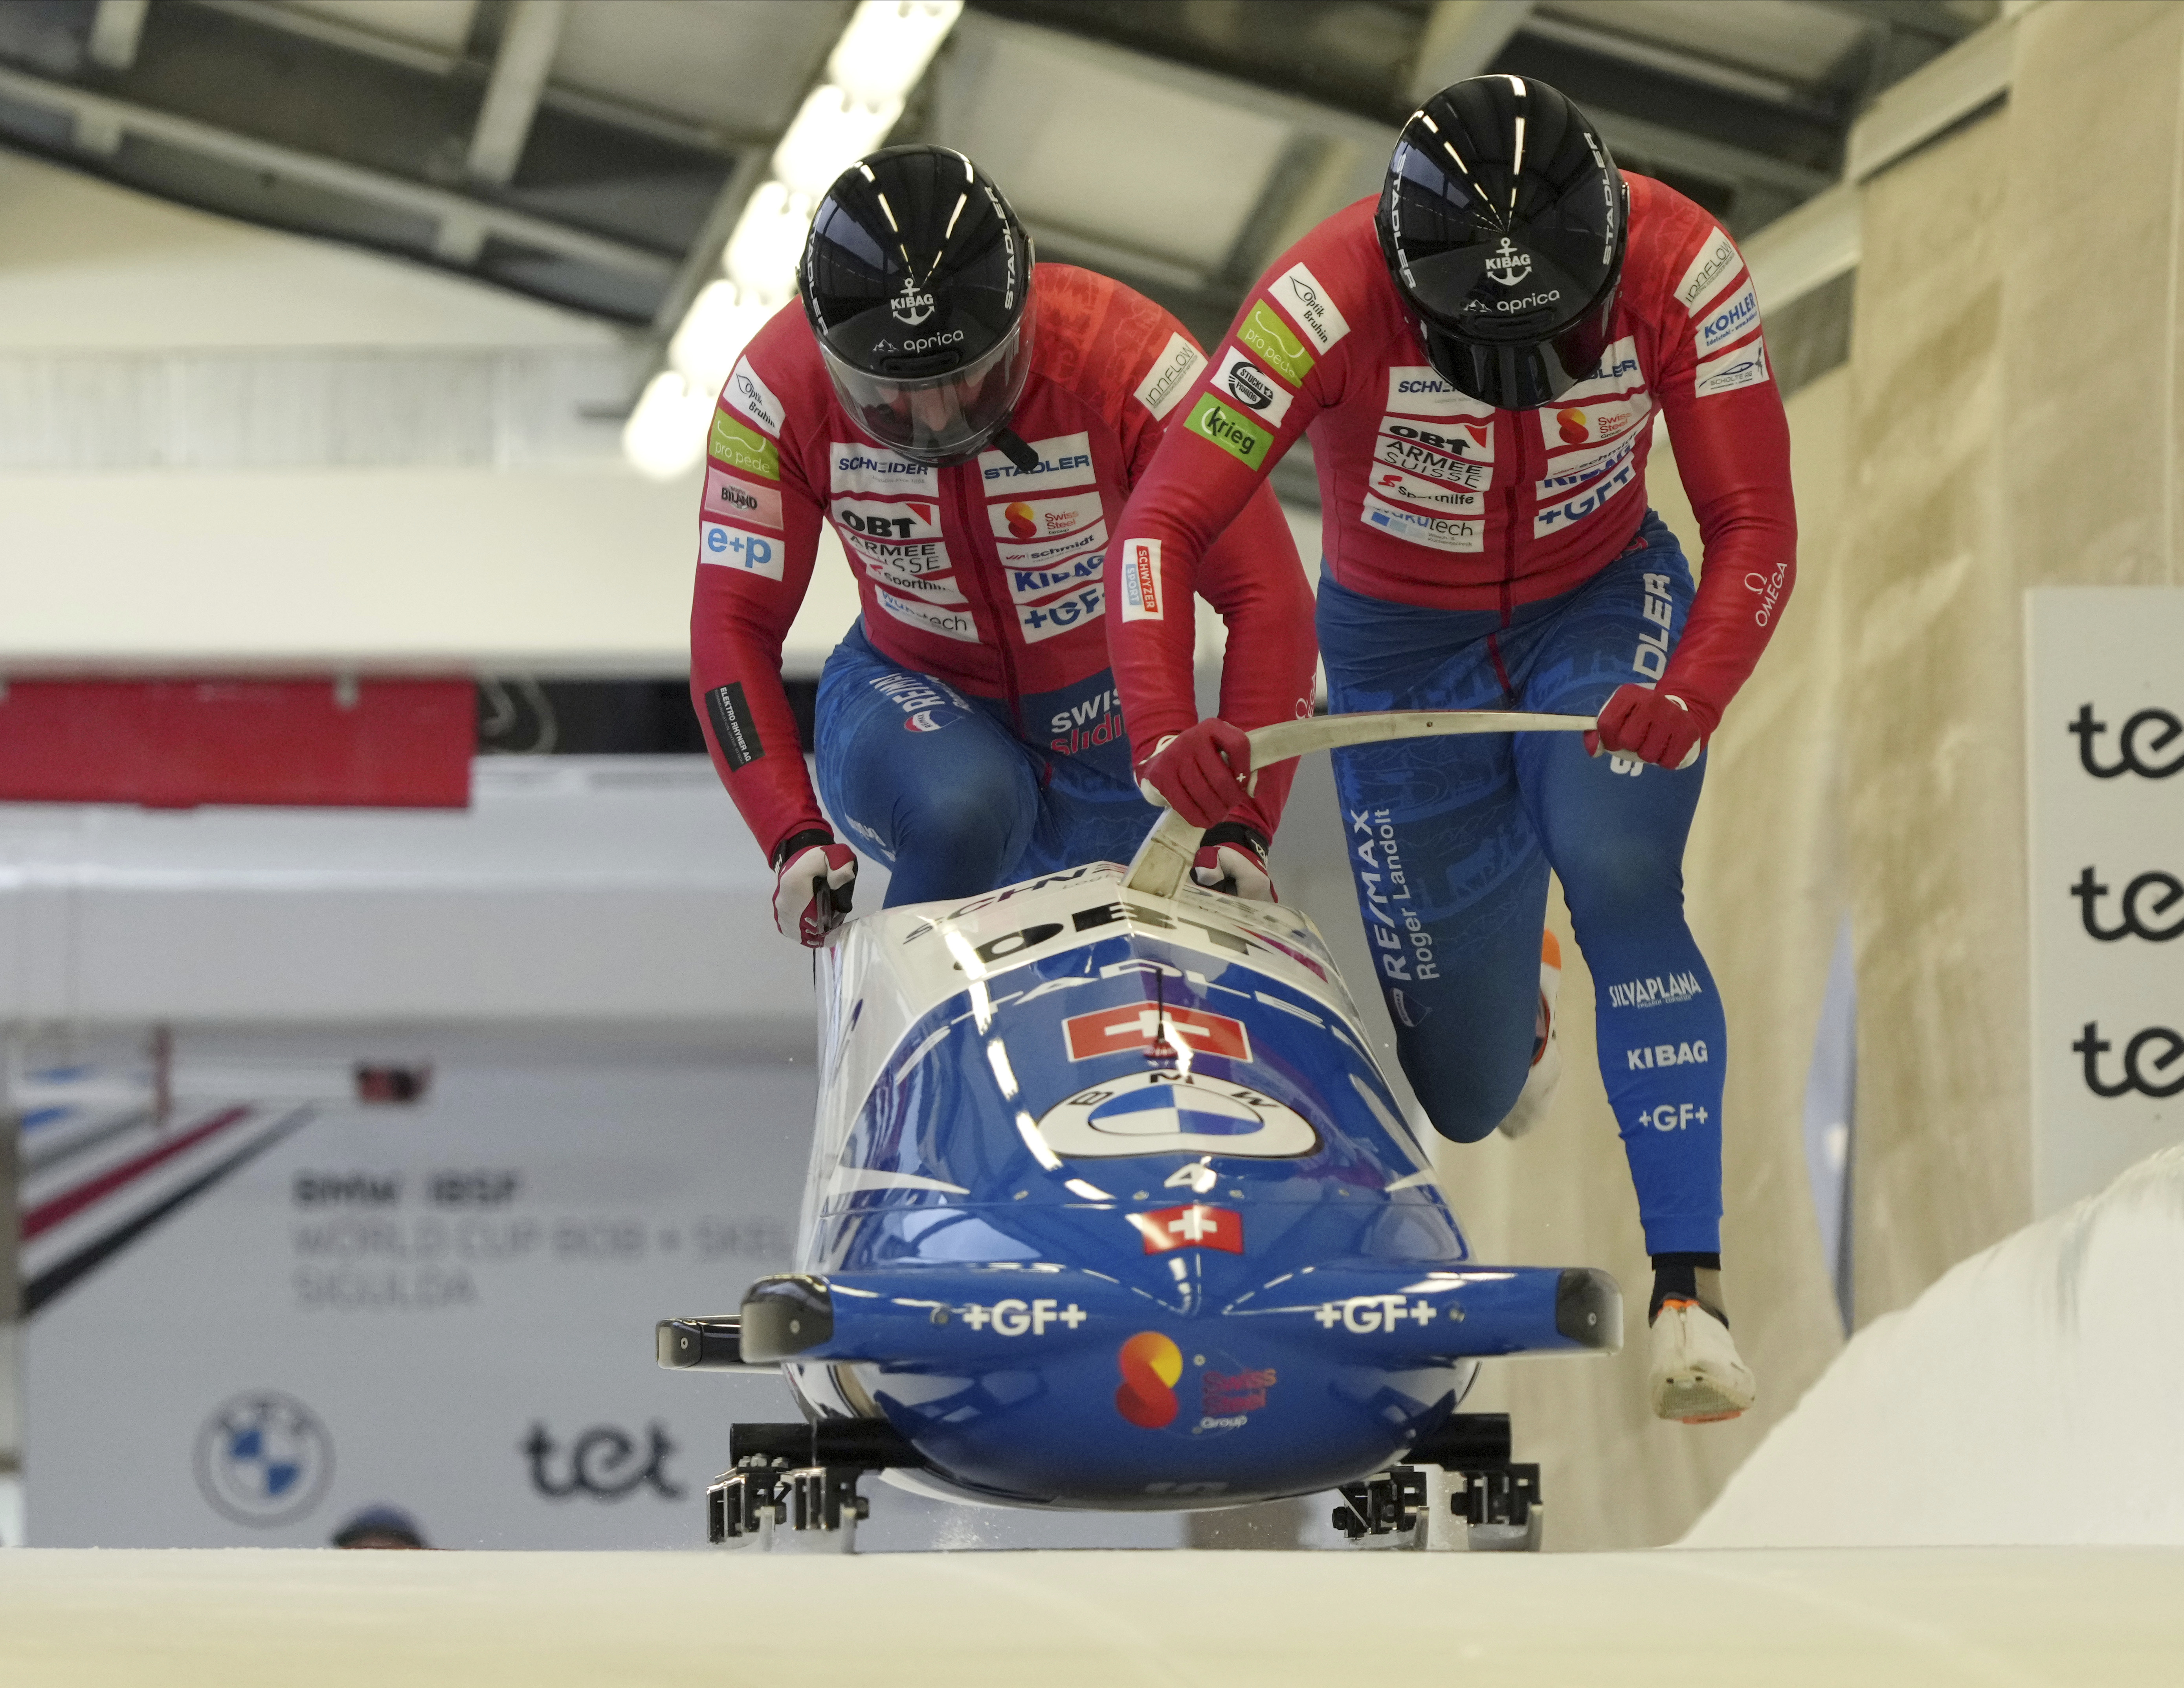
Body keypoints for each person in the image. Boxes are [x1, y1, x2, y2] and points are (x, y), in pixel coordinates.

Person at [1105, 77, 1796, 1423]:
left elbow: (1753, 525)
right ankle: (1511, 975)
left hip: (1598, 611)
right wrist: (1159, 726)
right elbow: (1159, 525)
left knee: (1620, 866)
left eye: (1562, 339)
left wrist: (1696, 690)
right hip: (1398, 656)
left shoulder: (1687, 269)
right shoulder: (1320, 299)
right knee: (1466, 1093)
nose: (1527, 372)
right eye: (1489, 349)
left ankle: (1690, 1292)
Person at [687, 146, 1316, 940]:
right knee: (959, 810)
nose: (940, 418)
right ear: (829, 355)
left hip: (1119, 733)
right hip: (913, 702)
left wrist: (1243, 825)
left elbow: (1266, 592)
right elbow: (729, 626)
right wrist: (790, 830)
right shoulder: (769, 397)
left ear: (1021, 320)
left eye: (971, 374)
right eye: (894, 392)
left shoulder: (1129, 356)